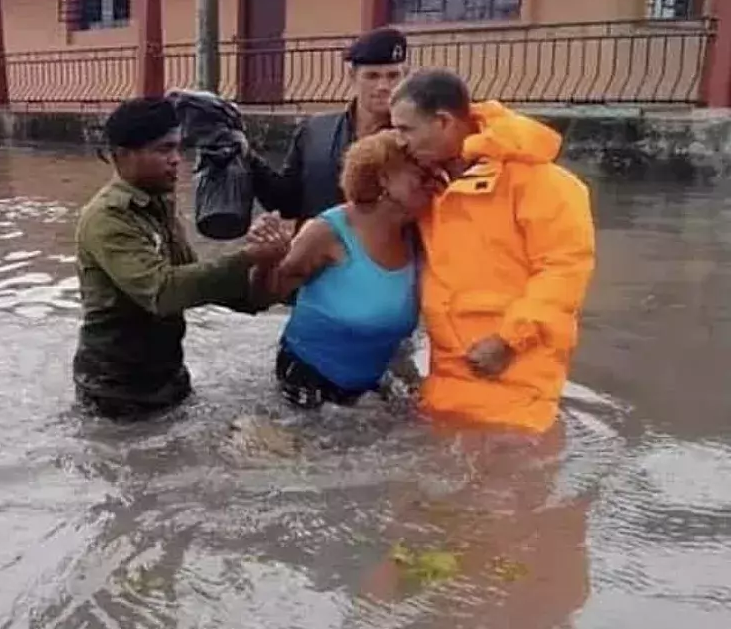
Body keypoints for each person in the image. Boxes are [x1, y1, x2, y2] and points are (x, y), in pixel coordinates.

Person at [388, 68, 596, 434]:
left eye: (406, 129)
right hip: (448, 375)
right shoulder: (432, 183)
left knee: (511, 482)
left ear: (443, 122)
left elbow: (563, 272)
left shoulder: (544, 183)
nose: (399, 141)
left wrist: (507, 341)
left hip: (513, 374)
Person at [74, 96, 294, 419]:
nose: (177, 160)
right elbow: (163, 293)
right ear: (122, 156)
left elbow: (193, 276)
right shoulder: (107, 218)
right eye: (163, 150)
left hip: (167, 378)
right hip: (115, 391)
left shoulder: (159, 203)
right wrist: (248, 256)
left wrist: (266, 269)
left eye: (178, 148)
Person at [264, 130, 435, 409]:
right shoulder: (328, 231)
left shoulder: (419, 237)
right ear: (384, 179)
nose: (432, 184)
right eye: (422, 175)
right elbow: (269, 291)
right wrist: (267, 256)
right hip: (309, 379)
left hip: (374, 385)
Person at [247, 27, 409, 221]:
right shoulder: (315, 131)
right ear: (352, 76)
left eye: (393, 76)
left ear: (405, 76)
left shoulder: (415, 139)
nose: (383, 86)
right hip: (318, 248)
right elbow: (288, 203)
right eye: (372, 76)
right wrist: (247, 158)